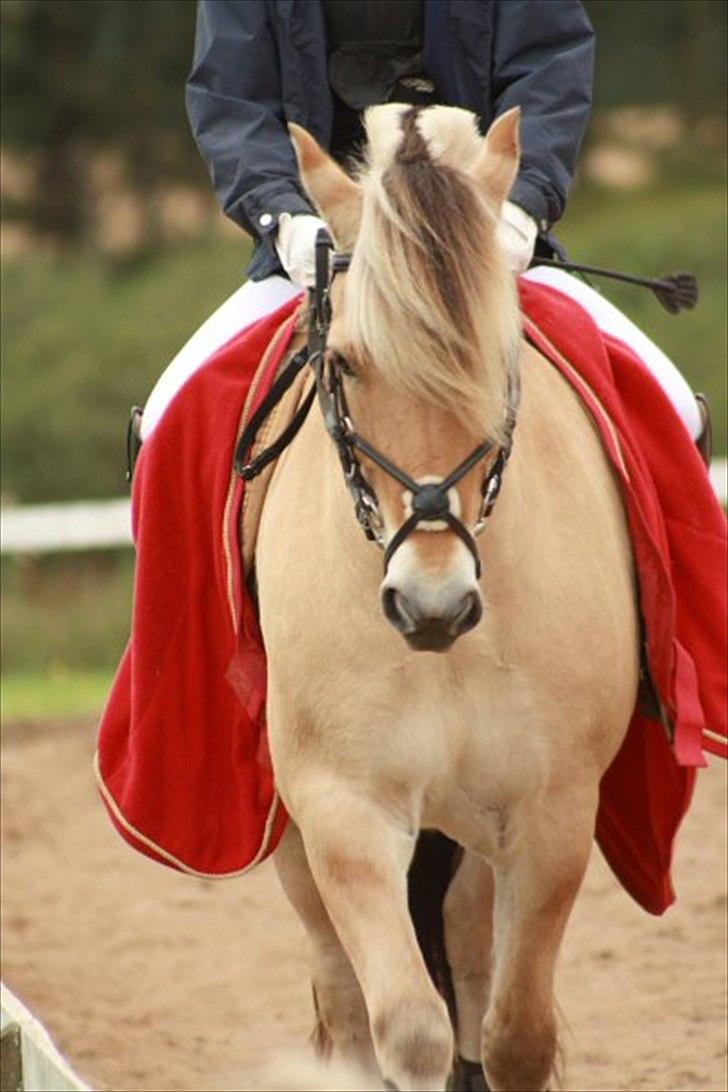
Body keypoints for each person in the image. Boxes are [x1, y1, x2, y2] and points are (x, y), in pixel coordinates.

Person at [140, 0, 707, 459]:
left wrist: (520, 206)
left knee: (676, 412)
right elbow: (232, 101)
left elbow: (548, 69)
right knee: (162, 425)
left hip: (480, 241)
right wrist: (284, 218)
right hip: (325, 245)